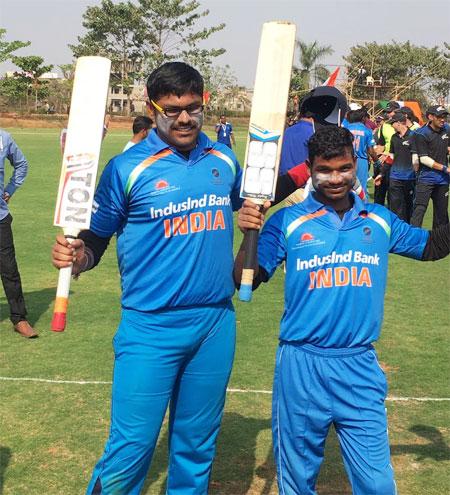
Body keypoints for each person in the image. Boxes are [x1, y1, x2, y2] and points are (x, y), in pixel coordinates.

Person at [50, 61, 315, 494]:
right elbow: (95, 239)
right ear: (151, 108)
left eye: (194, 107)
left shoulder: (223, 158)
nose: (186, 118)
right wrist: (76, 257)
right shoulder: (127, 168)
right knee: (130, 448)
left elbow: (247, 200)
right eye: (173, 109)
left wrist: (259, 208)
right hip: (150, 327)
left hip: (214, 323)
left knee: (195, 448)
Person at [234, 126, 449, 495]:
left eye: (345, 168)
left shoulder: (378, 220)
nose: (336, 179)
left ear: (356, 164)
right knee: (298, 482)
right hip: (301, 364)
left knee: (378, 484)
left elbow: (430, 246)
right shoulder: (287, 222)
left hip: (359, 365)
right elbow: (245, 279)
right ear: (310, 169)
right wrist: (249, 234)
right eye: (325, 170)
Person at [0, 129, 37, 338]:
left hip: (0, 218)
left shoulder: (4, 138)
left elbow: (22, 164)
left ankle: (20, 318)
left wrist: (10, 190)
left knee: (9, 269)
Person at [410, 105, 449, 228]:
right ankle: (413, 242)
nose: (443, 119)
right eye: (439, 117)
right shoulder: (421, 133)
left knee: (442, 214)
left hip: (443, 180)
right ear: (430, 117)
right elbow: (424, 159)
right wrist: (445, 168)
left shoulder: (447, 129)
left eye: (444, 116)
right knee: (419, 211)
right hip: (426, 178)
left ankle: (440, 244)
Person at [375, 111, 416, 222]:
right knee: (395, 208)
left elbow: (417, 159)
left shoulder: (414, 137)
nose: (391, 125)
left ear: (399, 123)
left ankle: (407, 232)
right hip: (395, 178)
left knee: (408, 207)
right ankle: (396, 232)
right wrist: (381, 173)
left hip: (410, 178)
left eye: (393, 123)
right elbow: (391, 157)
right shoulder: (394, 137)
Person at [343, 107, 379, 195]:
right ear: (363, 118)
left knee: (345, 186)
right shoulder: (367, 131)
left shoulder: (346, 128)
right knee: (361, 188)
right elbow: (370, 150)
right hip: (361, 161)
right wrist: (377, 162)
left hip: (346, 159)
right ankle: (361, 207)